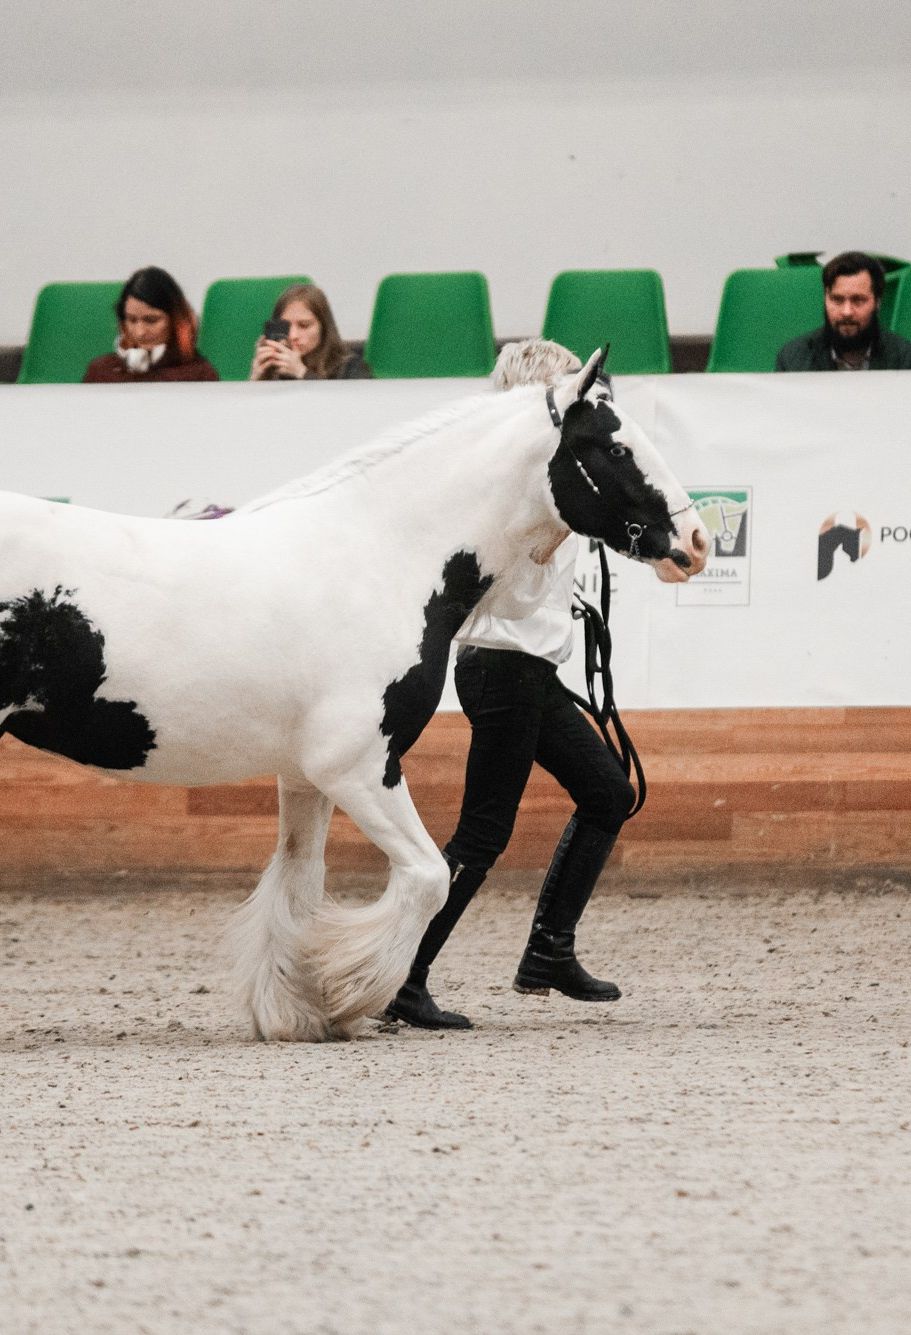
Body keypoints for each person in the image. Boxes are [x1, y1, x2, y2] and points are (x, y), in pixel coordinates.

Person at [384, 338, 637, 1032]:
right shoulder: (508, 490)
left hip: (526, 669)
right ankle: (403, 978)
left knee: (609, 792)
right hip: (502, 664)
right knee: (483, 833)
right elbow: (511, 592)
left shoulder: (549, 480)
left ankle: (549, 951)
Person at [775, 252, 911, 372]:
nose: (846, 312)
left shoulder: (907, 362)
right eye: (837, 300)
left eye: (858, 300)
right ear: (825, 299)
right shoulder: (793, 360)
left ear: (877, 303)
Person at [82, 267, 219, 383]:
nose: (140, 332)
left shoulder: (199, 375)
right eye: (132, 320)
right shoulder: (101, 372)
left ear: (176, 321)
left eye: (151, 320)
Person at [249, 283, 371, 380]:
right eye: (285, 326)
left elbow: (347, 407)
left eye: (303, 326)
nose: (293, 335)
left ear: (323, 328)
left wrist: (301, 372)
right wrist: (256, 380)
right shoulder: (273, 368)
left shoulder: (350, 367)